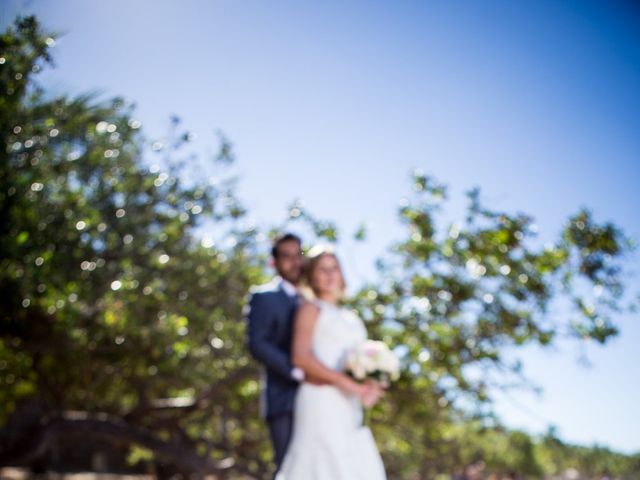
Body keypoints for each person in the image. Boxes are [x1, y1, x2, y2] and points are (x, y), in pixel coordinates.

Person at [276, 246, 387, 480]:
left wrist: (371, 386)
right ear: (312, 275)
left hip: (350, 405)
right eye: (322, 269)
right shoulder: (310, 309)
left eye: (334, 268)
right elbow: (301, 357)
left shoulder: (351, 317)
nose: (329, 275)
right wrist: (343, 382)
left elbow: (365, 361)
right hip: (320, 398)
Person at [246, 233, 307, 476]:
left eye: (298, 255)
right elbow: (258, 344)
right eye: (286, 257)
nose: (294, 262)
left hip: (320, 399)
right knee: (288, 469)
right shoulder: (264, 297)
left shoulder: (315, 297)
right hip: (283, 399)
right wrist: (296, 370)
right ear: (275, 263)